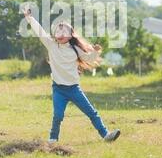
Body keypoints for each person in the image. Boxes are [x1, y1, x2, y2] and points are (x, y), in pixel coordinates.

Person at [23, 8, 120, 143]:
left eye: (64, 31)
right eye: (58, 31)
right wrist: (29, 18)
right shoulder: (51, 45)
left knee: (91, 113)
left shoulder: (75, 49)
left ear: (70, 35)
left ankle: (106, 135)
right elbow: (39, 31)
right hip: (59, 89)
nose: (60, 33)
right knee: (58, 116)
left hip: (74, 89)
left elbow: (88, 59)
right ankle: (53, 139)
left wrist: (96, 52)